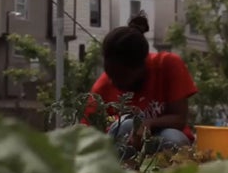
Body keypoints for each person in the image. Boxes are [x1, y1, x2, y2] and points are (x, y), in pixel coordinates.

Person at [82, 12, 198, 155]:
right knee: (126, 126)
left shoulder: (168, 65)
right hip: (122, 151)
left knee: (174, 140)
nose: (114, 82)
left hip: (164, 137)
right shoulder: (103, 86)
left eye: (120, 76)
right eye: (110, 75)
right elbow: (87, 133)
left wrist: (147, 124)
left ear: (142, 65)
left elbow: (179, 118)